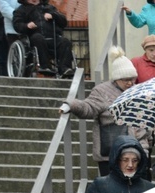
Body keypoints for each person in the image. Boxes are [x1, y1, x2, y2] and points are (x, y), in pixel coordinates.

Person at [59, 46, 149, 177]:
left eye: (132, 79)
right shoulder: (102, 91)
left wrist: (145, 148)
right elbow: (89, 107)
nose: (130, 83)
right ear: (116, 78)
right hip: (110, 151)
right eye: (126, 80)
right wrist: (71, 104)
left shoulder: (139, 91)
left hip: (136, 151)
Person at [12, 0, 73, 77]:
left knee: (65, 42)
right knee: (38, 38)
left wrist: (54, 16)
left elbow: (64, 22)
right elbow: (17, 25)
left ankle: (64, 68)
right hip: (35, 39)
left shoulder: (50, 8)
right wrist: (27, 26)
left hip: (53, 38)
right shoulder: (21, 10)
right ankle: (45, 66)